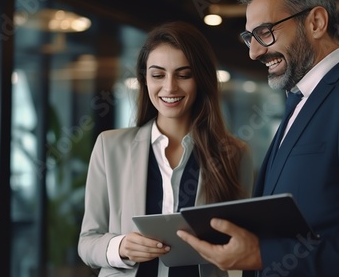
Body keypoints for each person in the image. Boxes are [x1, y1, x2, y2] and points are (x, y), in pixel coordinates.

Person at [177, 0, 339, 276]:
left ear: (316, 23)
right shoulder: (301, 100)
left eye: (264, 32)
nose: (254, 52)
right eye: (250, 37)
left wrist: (264, 255)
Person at [78, 21, 254, 277]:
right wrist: (120, 246)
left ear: (201, 79)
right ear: (144, 79)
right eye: (158, 75)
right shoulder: (110, 147)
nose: (170, 87)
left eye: (183, 74)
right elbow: (87, 242)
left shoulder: (234, 153)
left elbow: (243, 244)